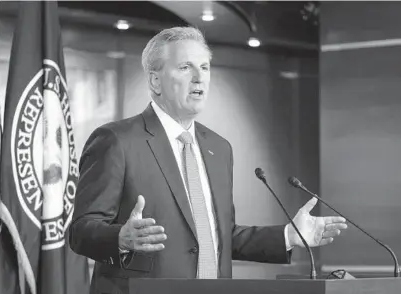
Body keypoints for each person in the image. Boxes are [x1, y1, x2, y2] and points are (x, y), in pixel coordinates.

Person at [69, 27, 347, 294]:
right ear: (155, 81)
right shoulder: (117, 140)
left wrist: (288, 235)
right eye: (185, 67)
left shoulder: (219, 148)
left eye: (204, 67)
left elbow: (221, 235)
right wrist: (121, 238)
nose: (199, 78)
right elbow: (81, 231)